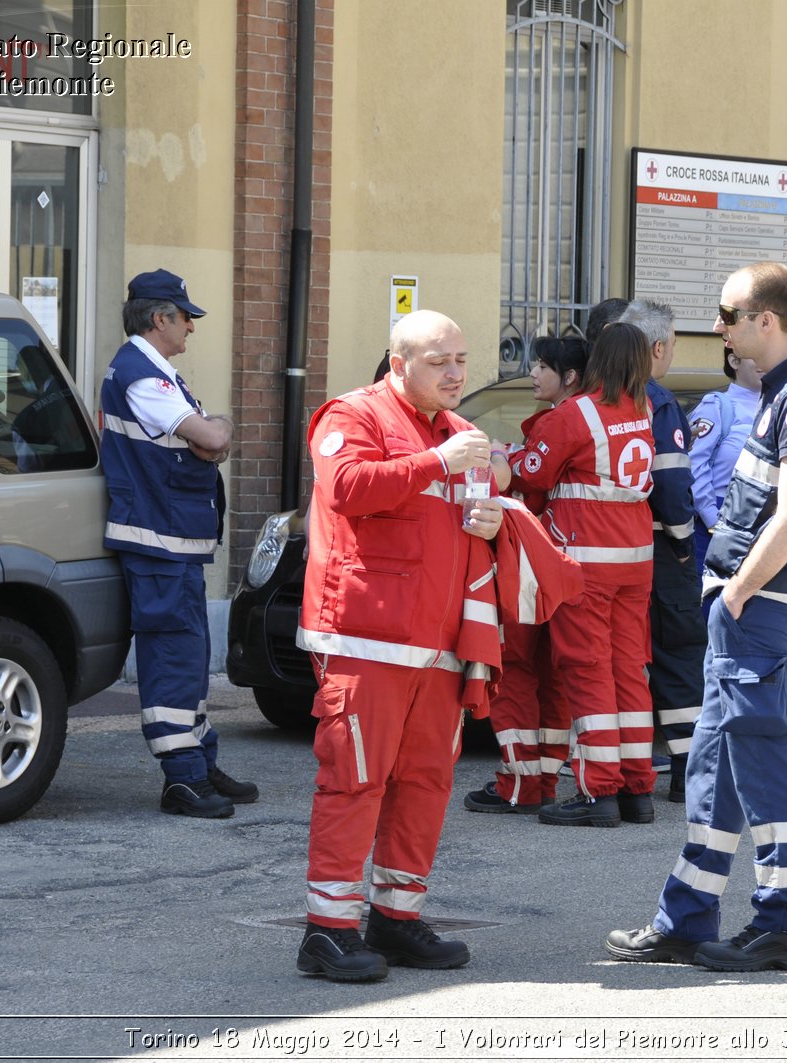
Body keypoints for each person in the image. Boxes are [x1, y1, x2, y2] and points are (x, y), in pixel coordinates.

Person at [606, 261, 787, 973]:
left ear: (763, 320)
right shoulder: (781, 393)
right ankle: (686, 917)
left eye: (726, 313)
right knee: (712, 761)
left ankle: (785, 922)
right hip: (743, 606)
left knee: (766, 753)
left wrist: (738, 588)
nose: (717, 326)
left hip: (759, 606)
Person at [294, 309, 506, 982]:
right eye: (439, 361)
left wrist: (495, 517)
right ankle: (327, 929)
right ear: (399, 364)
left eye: (461, 360)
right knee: (355, 780)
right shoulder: (350, 416)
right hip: (366, 635)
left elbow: (477, 523)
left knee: (425, 782)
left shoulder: (464, 433)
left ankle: (395, 915)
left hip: (436, 646)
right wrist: (436, 461)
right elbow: (346, 488)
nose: (455, 373)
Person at [98, 269, 257, 819]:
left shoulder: (152, 371)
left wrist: (212, 435)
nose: (191, 326)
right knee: (172, 656)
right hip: (158, 539)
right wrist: (219, 427)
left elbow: (207, 442)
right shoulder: (143, 375)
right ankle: (182, 779)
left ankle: (200, 762)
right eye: (185, 315)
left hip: (173, 539)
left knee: (188, 656)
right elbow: (212, 439)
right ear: (159, 317)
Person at [510, 322, 658, 827]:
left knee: (588, 670)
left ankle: (600, 791)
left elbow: (531, 472)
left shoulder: (577, 414)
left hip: (588, 562)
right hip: (636, 561)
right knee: (628, 671)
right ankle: (638, 788)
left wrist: (503, 457)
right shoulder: (643, 410)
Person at [463, 334, 587, 814]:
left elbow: (525, 476)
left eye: (543, 365)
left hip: (527, 565)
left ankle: (519, 783)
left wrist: (500, 456)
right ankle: (547, 780)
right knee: (550, 676)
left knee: (514, 670)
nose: (533, 372)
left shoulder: (562, 422)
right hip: (566, 569)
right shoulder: (600, 420)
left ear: (569, 377)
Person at [620, 298, 708, 804]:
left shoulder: (596, 398)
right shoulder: (659, 401)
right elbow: (673, 484)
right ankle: (686, 773)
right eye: (672, 345)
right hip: (658, 547)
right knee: (679, 655)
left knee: (625, 662)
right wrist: (681, 540)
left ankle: (626, 776)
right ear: (657, 347)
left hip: (611, 549)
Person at [688, 343, 763, 572]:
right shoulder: (718, 405)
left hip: (763, 522)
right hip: (718, 518)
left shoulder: (779, 405)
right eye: (755, 356)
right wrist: (713, 521)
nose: (764, 363)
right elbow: (694, 465)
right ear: (734, 362)